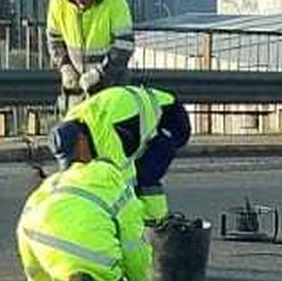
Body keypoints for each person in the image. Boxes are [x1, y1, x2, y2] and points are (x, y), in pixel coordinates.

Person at [15, 121, 151, 281]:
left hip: (45, 248)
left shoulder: (53, 182)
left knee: (63, 271)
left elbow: (23, 229)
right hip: (92, 254)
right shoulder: (114, 181)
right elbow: (132, 244)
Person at [65, 79, 192, 225]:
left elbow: (123, 187)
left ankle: (157, 226)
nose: (80, 161)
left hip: (171, 118)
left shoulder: (109, 140)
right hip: (135, 116)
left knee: (146, 176)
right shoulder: (71, 122)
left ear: (82, 140)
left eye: (78, 156)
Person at [44, 0, 135, 109]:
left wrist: (99, 74)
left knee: (108, 129)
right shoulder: (58, 0)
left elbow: (124, 46)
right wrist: (65, 67)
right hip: (76, 86)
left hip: (112, 83)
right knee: (75, 129)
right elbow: (54, 40)